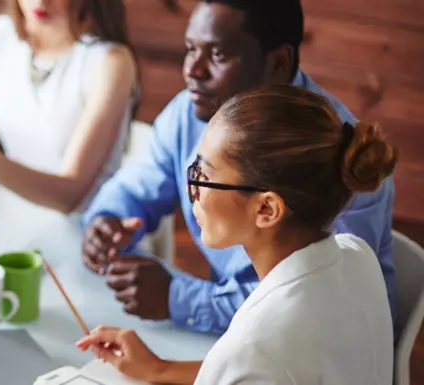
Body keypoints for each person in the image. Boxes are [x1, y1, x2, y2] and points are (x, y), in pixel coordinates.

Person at [80, 0, 396, 334]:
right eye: (190, 49)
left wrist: (179, 299)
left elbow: (312, 307)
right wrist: (106, 220)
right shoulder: (190, 113)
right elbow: (134, 187)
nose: (192, 70)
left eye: (217, 55)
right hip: (242, 337)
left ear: (277, 63)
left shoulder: (335, 156)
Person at [75, 85, 395, 384]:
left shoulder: (255, 347)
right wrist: (160, 368)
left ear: (266, 209)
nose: (191, 189)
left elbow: (255, 363)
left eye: (204, 175)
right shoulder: (357, 255)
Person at [0, 0, 138, 215]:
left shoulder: (111, 63)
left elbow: (69, 197)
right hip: (17, 215)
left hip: (93, 230)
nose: (40, 1)